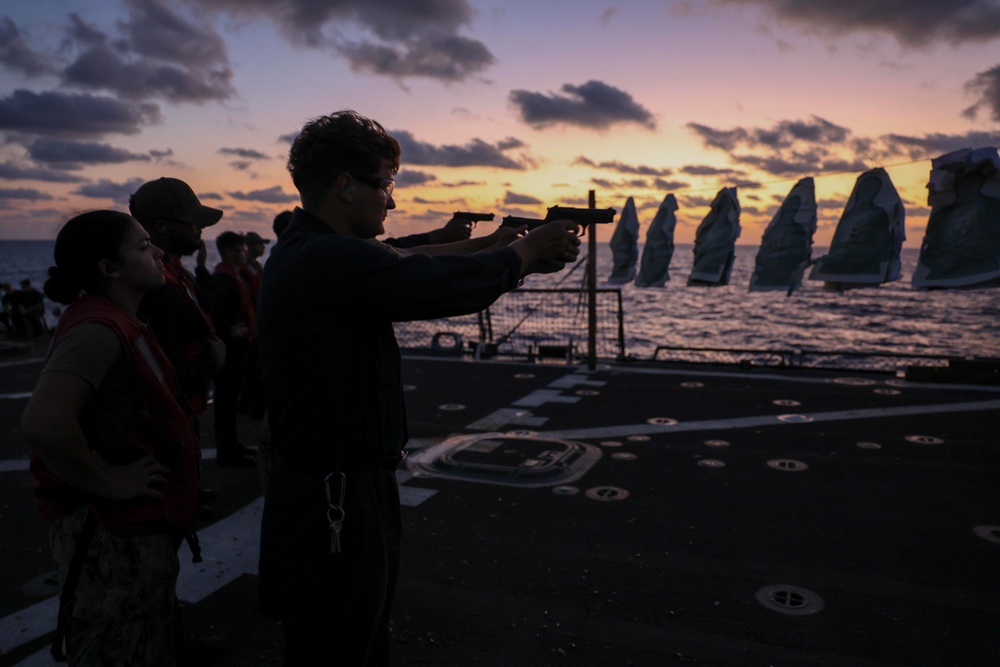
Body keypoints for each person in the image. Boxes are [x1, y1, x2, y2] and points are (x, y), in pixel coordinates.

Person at [256, 109, 579, 665]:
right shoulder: (324, 258)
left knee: (349, 635)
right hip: (335, 490)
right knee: (339, 645)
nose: (393, 200)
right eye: (387, 185)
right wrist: (522, 254)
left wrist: (501, 248)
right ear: (345, 185)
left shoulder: (311, 251)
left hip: (341, 482)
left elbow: (402, 258)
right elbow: (424, 282)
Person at [20, 210, 200, 665]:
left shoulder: (118, 319)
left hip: (132, 532)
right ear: (109, 269)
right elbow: (43, 422)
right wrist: (108, 481)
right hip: (108, 536)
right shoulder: (99, 328)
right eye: (143, 246)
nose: (157, 251)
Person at [130, 177, 226, 431]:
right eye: (192, 221)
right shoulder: (158, 291)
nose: (200, 228)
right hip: (168, 423)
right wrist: (213, 362)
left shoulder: (171, 273)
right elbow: (161, 377)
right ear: (162, 226)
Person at [211, 231, 257, 467]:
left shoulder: (234, 276)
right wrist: (229, 330)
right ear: (230, 253)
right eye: (242, 250)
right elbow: (215, 309)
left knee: (230, 400)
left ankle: (232, 445)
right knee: (226, 400)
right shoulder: (223, 278)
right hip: (231, 349)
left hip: (239, 345)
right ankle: (227, 451)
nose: (246, 253)